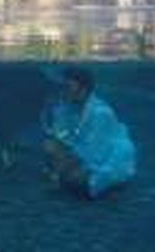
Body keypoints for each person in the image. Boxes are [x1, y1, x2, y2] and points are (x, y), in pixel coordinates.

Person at [41, 67, 136, 198]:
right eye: (64, 86)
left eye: (69, 86)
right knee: (49, 146)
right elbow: (59, 134)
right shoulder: (67, 107)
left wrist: (64, 165)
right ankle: (66, 177)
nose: (65, 90)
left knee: (76, 180)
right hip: (81, 153)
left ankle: (104, 186)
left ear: (83, 88)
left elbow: (94, 153)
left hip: (107, 160)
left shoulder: (101, 113)